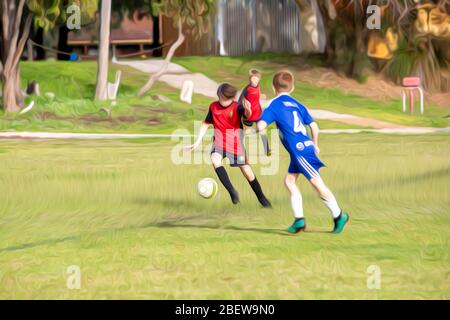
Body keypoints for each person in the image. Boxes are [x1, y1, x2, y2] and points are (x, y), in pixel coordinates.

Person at [257, 71, 349, 233]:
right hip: (302, 149)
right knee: (289, 182)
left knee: (317, 184)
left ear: (273, 87)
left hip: (299, 151)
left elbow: (260, 126)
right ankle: (299, 220)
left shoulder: (274, 105)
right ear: (292, 88)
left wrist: (265, 146)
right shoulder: (298, 104)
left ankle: (339, 215)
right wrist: (315, 144)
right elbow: (314, 126)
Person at [186, 83, 272, 208]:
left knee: (248, 172)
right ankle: (232, 191)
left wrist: (248, 110)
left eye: (227, 98)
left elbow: (247, 118)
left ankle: (262, 198)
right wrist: (197, 141)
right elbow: (206, 123)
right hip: (219, 142)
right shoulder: (213, 107)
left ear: (232, 98)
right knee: (215, 159)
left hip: (236, 144)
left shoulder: (237, 107)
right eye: (222, 97)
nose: (224, 101)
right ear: (218, 95)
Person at [239, 69, 271, 156]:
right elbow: (240, 100)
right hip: (248, 115)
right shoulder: (247, 89)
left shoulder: (258, 86)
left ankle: (267, 150)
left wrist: (261, 96)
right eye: (253, 78)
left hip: (257, 113)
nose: (254, 80)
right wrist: (244, 109)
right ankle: (240, 150)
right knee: (243, 133)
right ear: (250, 79)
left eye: (256, 78)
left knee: (262, 130)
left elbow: (256, 94)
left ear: (259, 79)